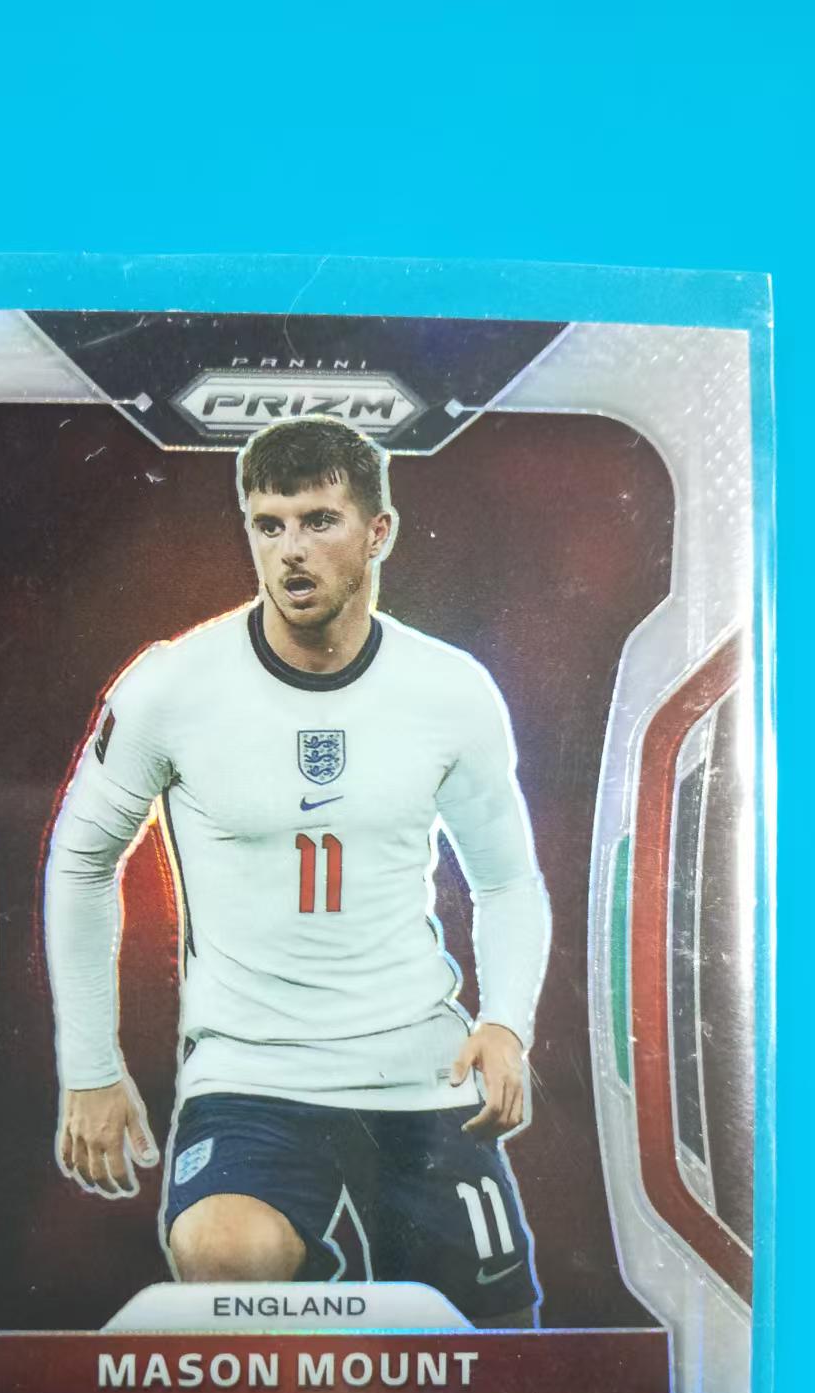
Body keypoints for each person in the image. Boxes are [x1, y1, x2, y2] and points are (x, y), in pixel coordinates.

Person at [45, 416, 551, 1334]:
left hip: (417, 1068)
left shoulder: (449, 689)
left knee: (498, 1366)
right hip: (249, 1073)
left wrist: (506, 1020)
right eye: (267, 525)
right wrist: (89, 1066)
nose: (290, 551)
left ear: (378, 532)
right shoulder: (171, 686)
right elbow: (81, 860)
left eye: (319, 521)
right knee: (221, 1258)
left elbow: (508, 880)